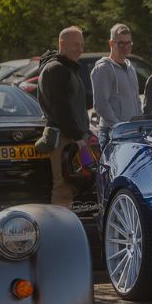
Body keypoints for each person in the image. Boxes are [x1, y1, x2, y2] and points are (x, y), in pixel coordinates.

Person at [37, 26, 90, 208]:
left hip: (73, 138)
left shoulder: (67, 68)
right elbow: (61, 110)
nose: (80, 49)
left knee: (74, 187)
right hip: (63, 139)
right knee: (63, 189)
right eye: (75, 44)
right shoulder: (57, 69)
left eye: (82, 45)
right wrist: (78, 137)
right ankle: (61, 232)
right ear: (62, 44)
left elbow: (74, 107)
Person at [91, 23, 141, 132]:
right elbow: (101, 104)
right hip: (112, 132)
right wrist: (118, 126)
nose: (125, 47)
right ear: (111, 43)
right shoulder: (103, 68)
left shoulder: (130, 67)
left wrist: (140, 124)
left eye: (128, 43)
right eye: (121, 43)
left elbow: (137, 99)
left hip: (132, 130)